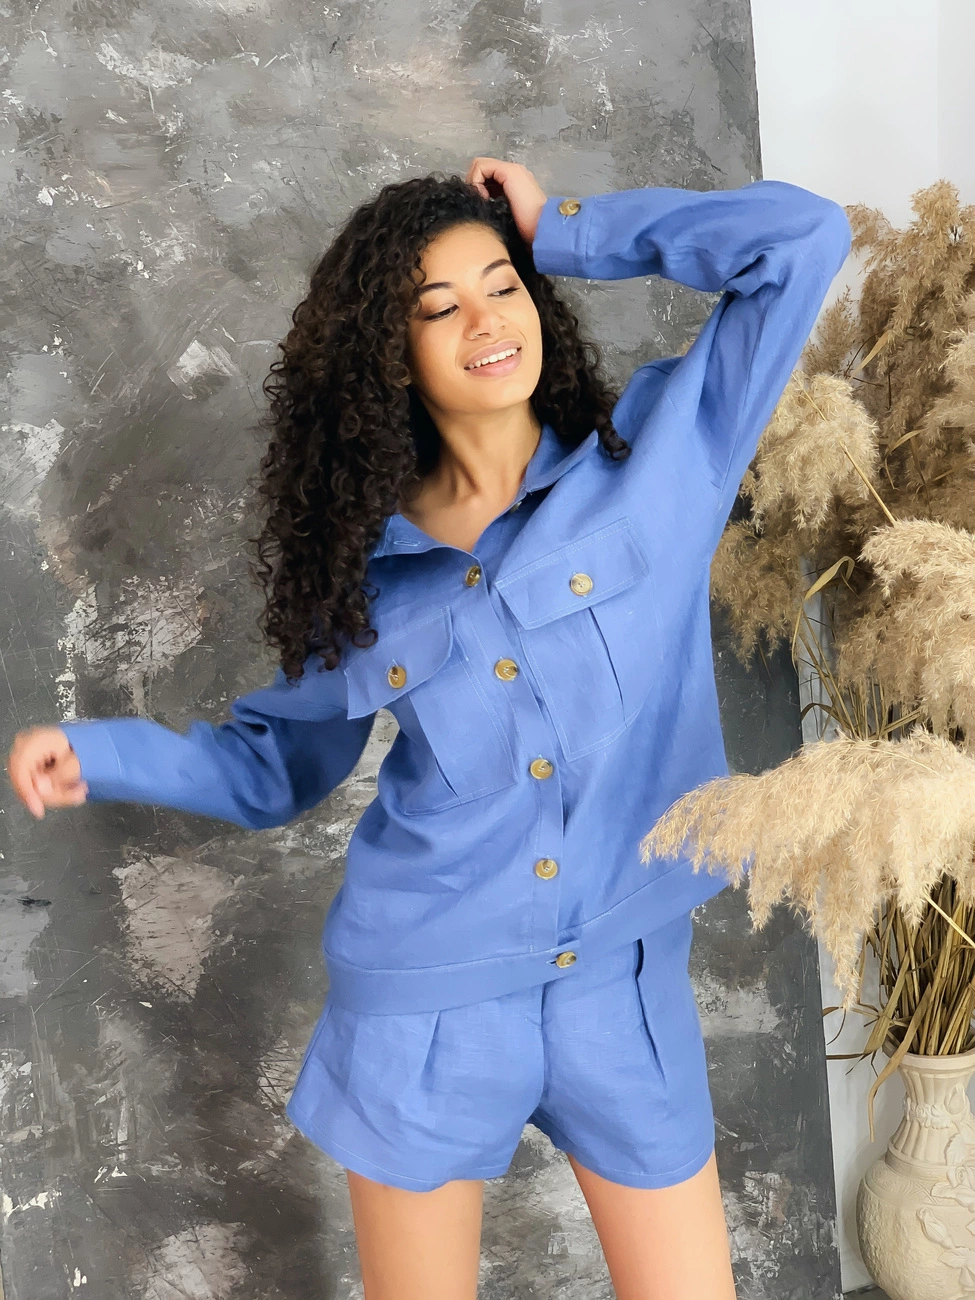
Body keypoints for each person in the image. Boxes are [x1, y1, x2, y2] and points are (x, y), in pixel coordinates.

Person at [6, 156, 851, 1300]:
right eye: (438, 307)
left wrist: (562, 228)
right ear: (389, 356)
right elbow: (274, 766)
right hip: (426, 998)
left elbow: (802, 241)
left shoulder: (665, 452)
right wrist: (98, 754)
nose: (485, 321)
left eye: (503, 286)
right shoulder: (363, 577)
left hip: (622, 982)